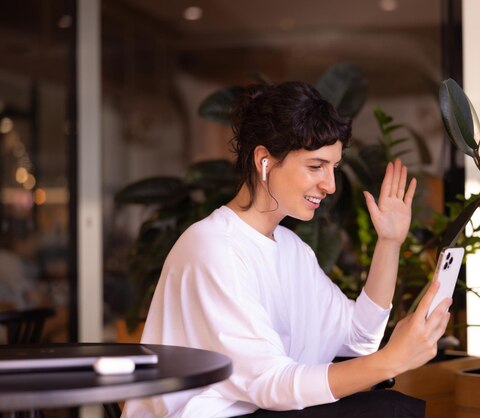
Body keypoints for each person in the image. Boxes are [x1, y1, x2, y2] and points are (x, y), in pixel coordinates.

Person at [122, 81, 452, 418]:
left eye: (333, 168)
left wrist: (390, 242)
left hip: (259, 412)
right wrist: (389, 361)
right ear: (264, 160)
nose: (330, 185)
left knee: (390, 409)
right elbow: (270, 383)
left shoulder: (292, 249)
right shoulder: (213, 247)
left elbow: (359, 337)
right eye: (315, 166)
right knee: (389, 410)